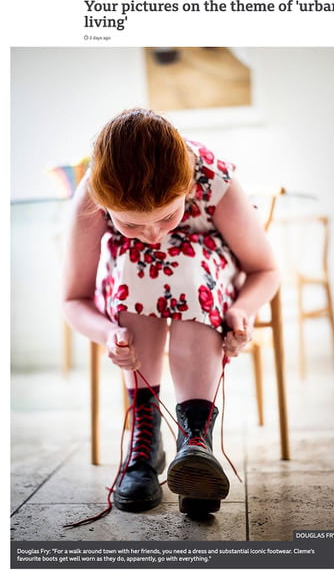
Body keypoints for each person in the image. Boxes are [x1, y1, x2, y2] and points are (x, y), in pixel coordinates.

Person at [63, 108, 279, 518]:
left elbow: (266, 270)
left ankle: (196, 439)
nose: (154, 233)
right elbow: (73, 300)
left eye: (168, 215)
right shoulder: (92, 195)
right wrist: (108, 334)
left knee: (183, 266)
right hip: (129, 298)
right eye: (130, 224)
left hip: (207, 287)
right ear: (106, 206)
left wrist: (243, 310)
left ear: (187, 187)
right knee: (137, 260)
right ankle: (146, 436)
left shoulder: (214, 180)